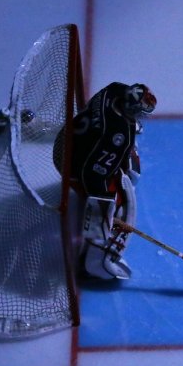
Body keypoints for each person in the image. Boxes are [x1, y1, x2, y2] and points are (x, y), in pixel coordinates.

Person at [55, 82, 156, 280]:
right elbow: (93, 174)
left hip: (65, 142)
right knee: (122, 202)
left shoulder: (113, 90)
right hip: (73, 168)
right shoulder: (119, 137)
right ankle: (98, 260)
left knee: (121, 173)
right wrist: (102, 204)